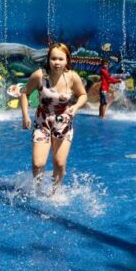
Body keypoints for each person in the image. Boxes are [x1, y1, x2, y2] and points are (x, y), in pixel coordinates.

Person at [19, 43, 88, 191]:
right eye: (53, 58)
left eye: (61, 59)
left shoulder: (72, 77)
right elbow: (24, 93)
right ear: (48, 59)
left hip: (63, 124)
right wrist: (25, 116)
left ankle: (55, 191)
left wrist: (75, 107)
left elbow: (83, 95)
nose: (57, 62)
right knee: (38, 163)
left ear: (67, 61)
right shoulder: (40, 75)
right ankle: (37, 190)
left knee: (60, 163)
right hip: (42, 123)